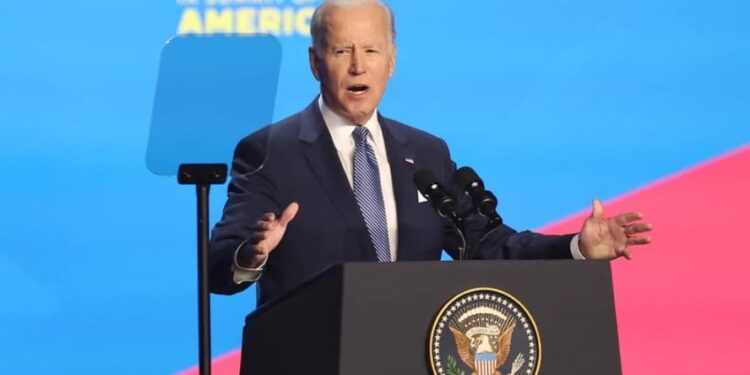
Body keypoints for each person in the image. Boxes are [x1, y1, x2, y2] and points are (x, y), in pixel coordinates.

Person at [209, 0, 652, 306]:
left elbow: (485, 244)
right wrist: (252, 256)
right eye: (342, 50)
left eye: (371, 50)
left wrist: (576, 247)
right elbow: (217, 266)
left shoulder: (424, 152)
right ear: (314, 61)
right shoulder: (269, 150)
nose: (358, 65)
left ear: (392, 61)